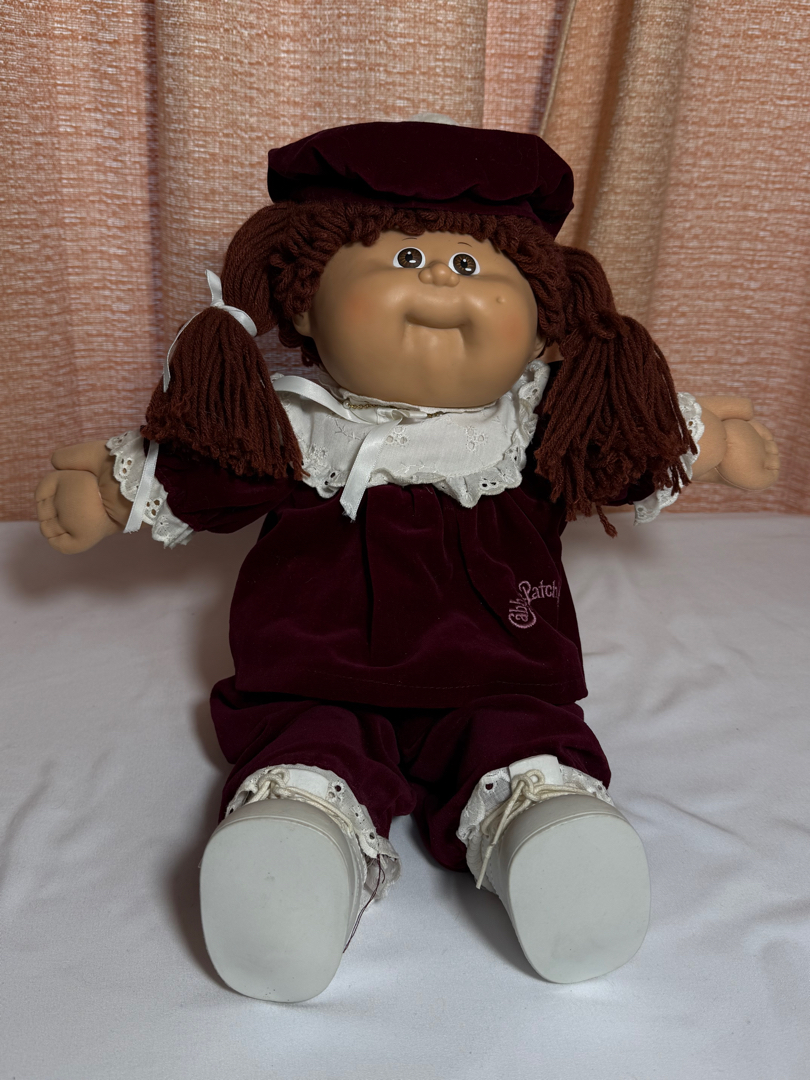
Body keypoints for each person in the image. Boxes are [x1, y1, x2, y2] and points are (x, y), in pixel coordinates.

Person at [35, 118, 780, 1003]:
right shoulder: (291, 425)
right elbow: (207, 475)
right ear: (305, 306)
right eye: (401, 257)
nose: (439, 278)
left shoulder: (536, 425)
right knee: (309, 743)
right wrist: (115, 492)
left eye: (471, 264)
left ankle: (542, 824)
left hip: (500, 668)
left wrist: (703, 444)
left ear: (540, 324)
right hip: (318, 668)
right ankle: (300, 840)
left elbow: (621, 451)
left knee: (520, 737)